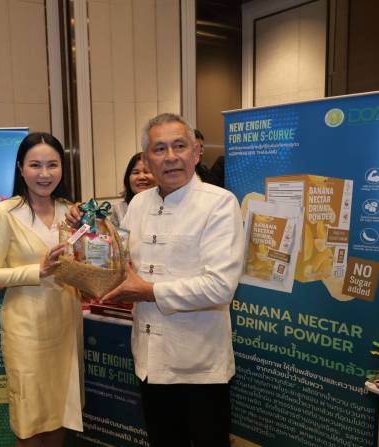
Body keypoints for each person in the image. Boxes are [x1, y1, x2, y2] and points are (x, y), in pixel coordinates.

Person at [68, 113, 244, 446]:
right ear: (147, 160)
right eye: (159, 149)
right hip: (148, 360)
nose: (171, 156)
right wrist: (86, 227)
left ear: (196, 152)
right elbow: (119, 262)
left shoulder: (220, 204)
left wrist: (148, 291)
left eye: (180, 146)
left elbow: (220, 287)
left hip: (199, 364)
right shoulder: (139, 204)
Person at [0, 132, 83, 446]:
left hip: (65, 323)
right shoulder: (6, 212)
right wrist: (38, 271)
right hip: (26, 328)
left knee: (61, 409)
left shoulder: (71, 212)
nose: (44, 173)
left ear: (62, 168)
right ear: (20, 169)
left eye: (52, 165)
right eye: (35, 165)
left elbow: (85, 261)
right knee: (29, 416)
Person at [111, 152, 156, 227]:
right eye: (136, 172)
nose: (141, 177)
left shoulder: (166, 206)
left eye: (147, 171)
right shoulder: (119, 209)